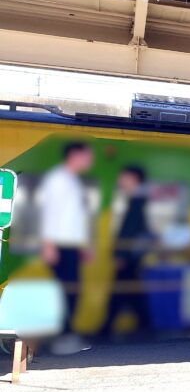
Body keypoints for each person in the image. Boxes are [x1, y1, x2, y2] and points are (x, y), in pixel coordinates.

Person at [36, 142, 94, 354]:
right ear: (74, 155)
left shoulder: (71, 180)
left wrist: (83, 246)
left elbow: (73, 219)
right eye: (87, 156)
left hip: (70, 246)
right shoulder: (58, 179)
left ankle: (66, 336)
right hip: (59, 246)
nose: (90, 160)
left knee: (71, 291)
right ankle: (62, 339)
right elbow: (51, 214)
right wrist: (49, 245)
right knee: (65, 292)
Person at [101, 166, 152, 339]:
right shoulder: (135, 200)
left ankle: (106, 328)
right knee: (131, 292)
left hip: (129, 256)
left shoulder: (136, 201)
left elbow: (129, 231)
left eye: (124, 177)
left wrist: (121, 255)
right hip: (133, 256)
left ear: (134, 179)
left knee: (120, 292)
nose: (120, 180)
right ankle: (145, 325)